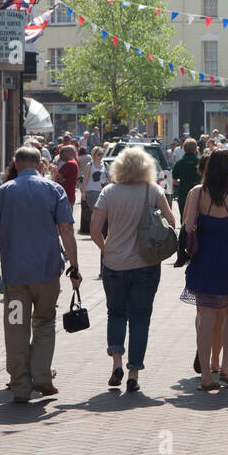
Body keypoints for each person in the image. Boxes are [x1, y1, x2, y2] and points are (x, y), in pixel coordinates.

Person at [0, 146, 80, 403]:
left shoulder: (4, 191)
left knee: (16, 326)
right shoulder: (53, 190)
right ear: (40, 164)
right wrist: (75, 266)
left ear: (16, 163)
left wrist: (5, 238)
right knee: (45, 322)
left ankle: (21, 384)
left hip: (15, 276)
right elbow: (66, 230)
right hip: (47, 272)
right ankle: (43, 375)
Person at [89, 147, 174, 393]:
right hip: (146, 263)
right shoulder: (153, 190)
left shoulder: (108, 192)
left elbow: (95, 228)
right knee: (140, 319)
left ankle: (116, 362)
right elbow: (172, 221)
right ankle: (133, 373)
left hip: (115, 263)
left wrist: (105, 250)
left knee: (115, 313)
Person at [181, 149, 228, 391]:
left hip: (205, 260)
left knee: (205, 319)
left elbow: (188, 227)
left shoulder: (198, 193)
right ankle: (227, 366)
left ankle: (207, 374)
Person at [171, 138, 200, 220]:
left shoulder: (179, 162)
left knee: (184, 219)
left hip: (183, 194)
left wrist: (182, 183)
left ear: (184, 148)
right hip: (199, 195)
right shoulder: (200, 161)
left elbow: (174, 180)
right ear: (195, 148)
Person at [55, 144, 80, 212]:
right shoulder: (73, 162)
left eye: (62, 152)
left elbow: (55, 177)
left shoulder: (69, 163)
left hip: (66, 196)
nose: (60, 154)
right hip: (68, 196)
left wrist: (58, 178)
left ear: (69, 153)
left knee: (65, 220)